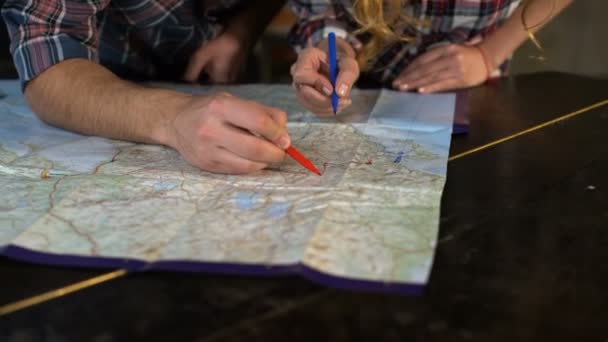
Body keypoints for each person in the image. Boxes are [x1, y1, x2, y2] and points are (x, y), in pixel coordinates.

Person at [2, 0, 290, 175]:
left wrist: (241, 33)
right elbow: (47, 62)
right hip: (102, 90)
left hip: (224, 76)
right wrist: (172, 117)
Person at [287, 0, 573, 115]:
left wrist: (489, 54)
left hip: (473, 96)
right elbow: (324, 9)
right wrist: (331, 51)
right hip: (363, 95)